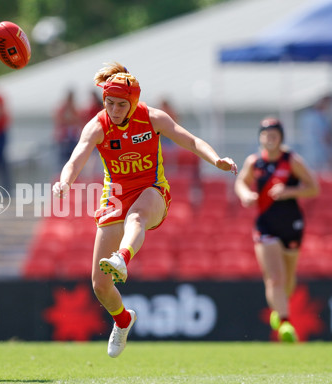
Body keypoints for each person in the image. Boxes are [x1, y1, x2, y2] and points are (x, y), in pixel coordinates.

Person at [52, 62, 237, 358]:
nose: (114, 109)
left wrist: (216, 160)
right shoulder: (98, 125)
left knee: (136, 218)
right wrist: (64, 181)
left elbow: (190, 140)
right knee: (99, 286)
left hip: (153, 191)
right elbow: (76, 158)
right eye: (109, 103)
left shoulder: (153, 118)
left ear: (134, 102)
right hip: (115, 196)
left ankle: (123, 258)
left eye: (121, 104)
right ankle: (124, 320)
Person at [234, 118, 319, 342]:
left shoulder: (291, 161)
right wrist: (246, 195)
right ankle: (285, 323)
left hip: (291, 225)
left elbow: (313, 188)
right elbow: (241, 182)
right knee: (275, 278)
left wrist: (288, 191)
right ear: (260, 137)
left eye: (274, 134)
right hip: (265, 225)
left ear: (281, 138)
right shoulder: (255, 162)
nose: (270, 138)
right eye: (266, 134)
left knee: (288, 280)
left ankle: (278, 309)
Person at [298, 95, 332, 171]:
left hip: (311, 156)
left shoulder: (306, 116)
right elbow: (325, 137)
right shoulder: (318, 117)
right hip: (318, 158)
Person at [54, 89, 82, 164]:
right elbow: (61, 120)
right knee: (63, 157)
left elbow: (77, 120)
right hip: (64, 137)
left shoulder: (74, 107)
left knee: (73, 156)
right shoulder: (63, 108)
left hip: (72, 136)